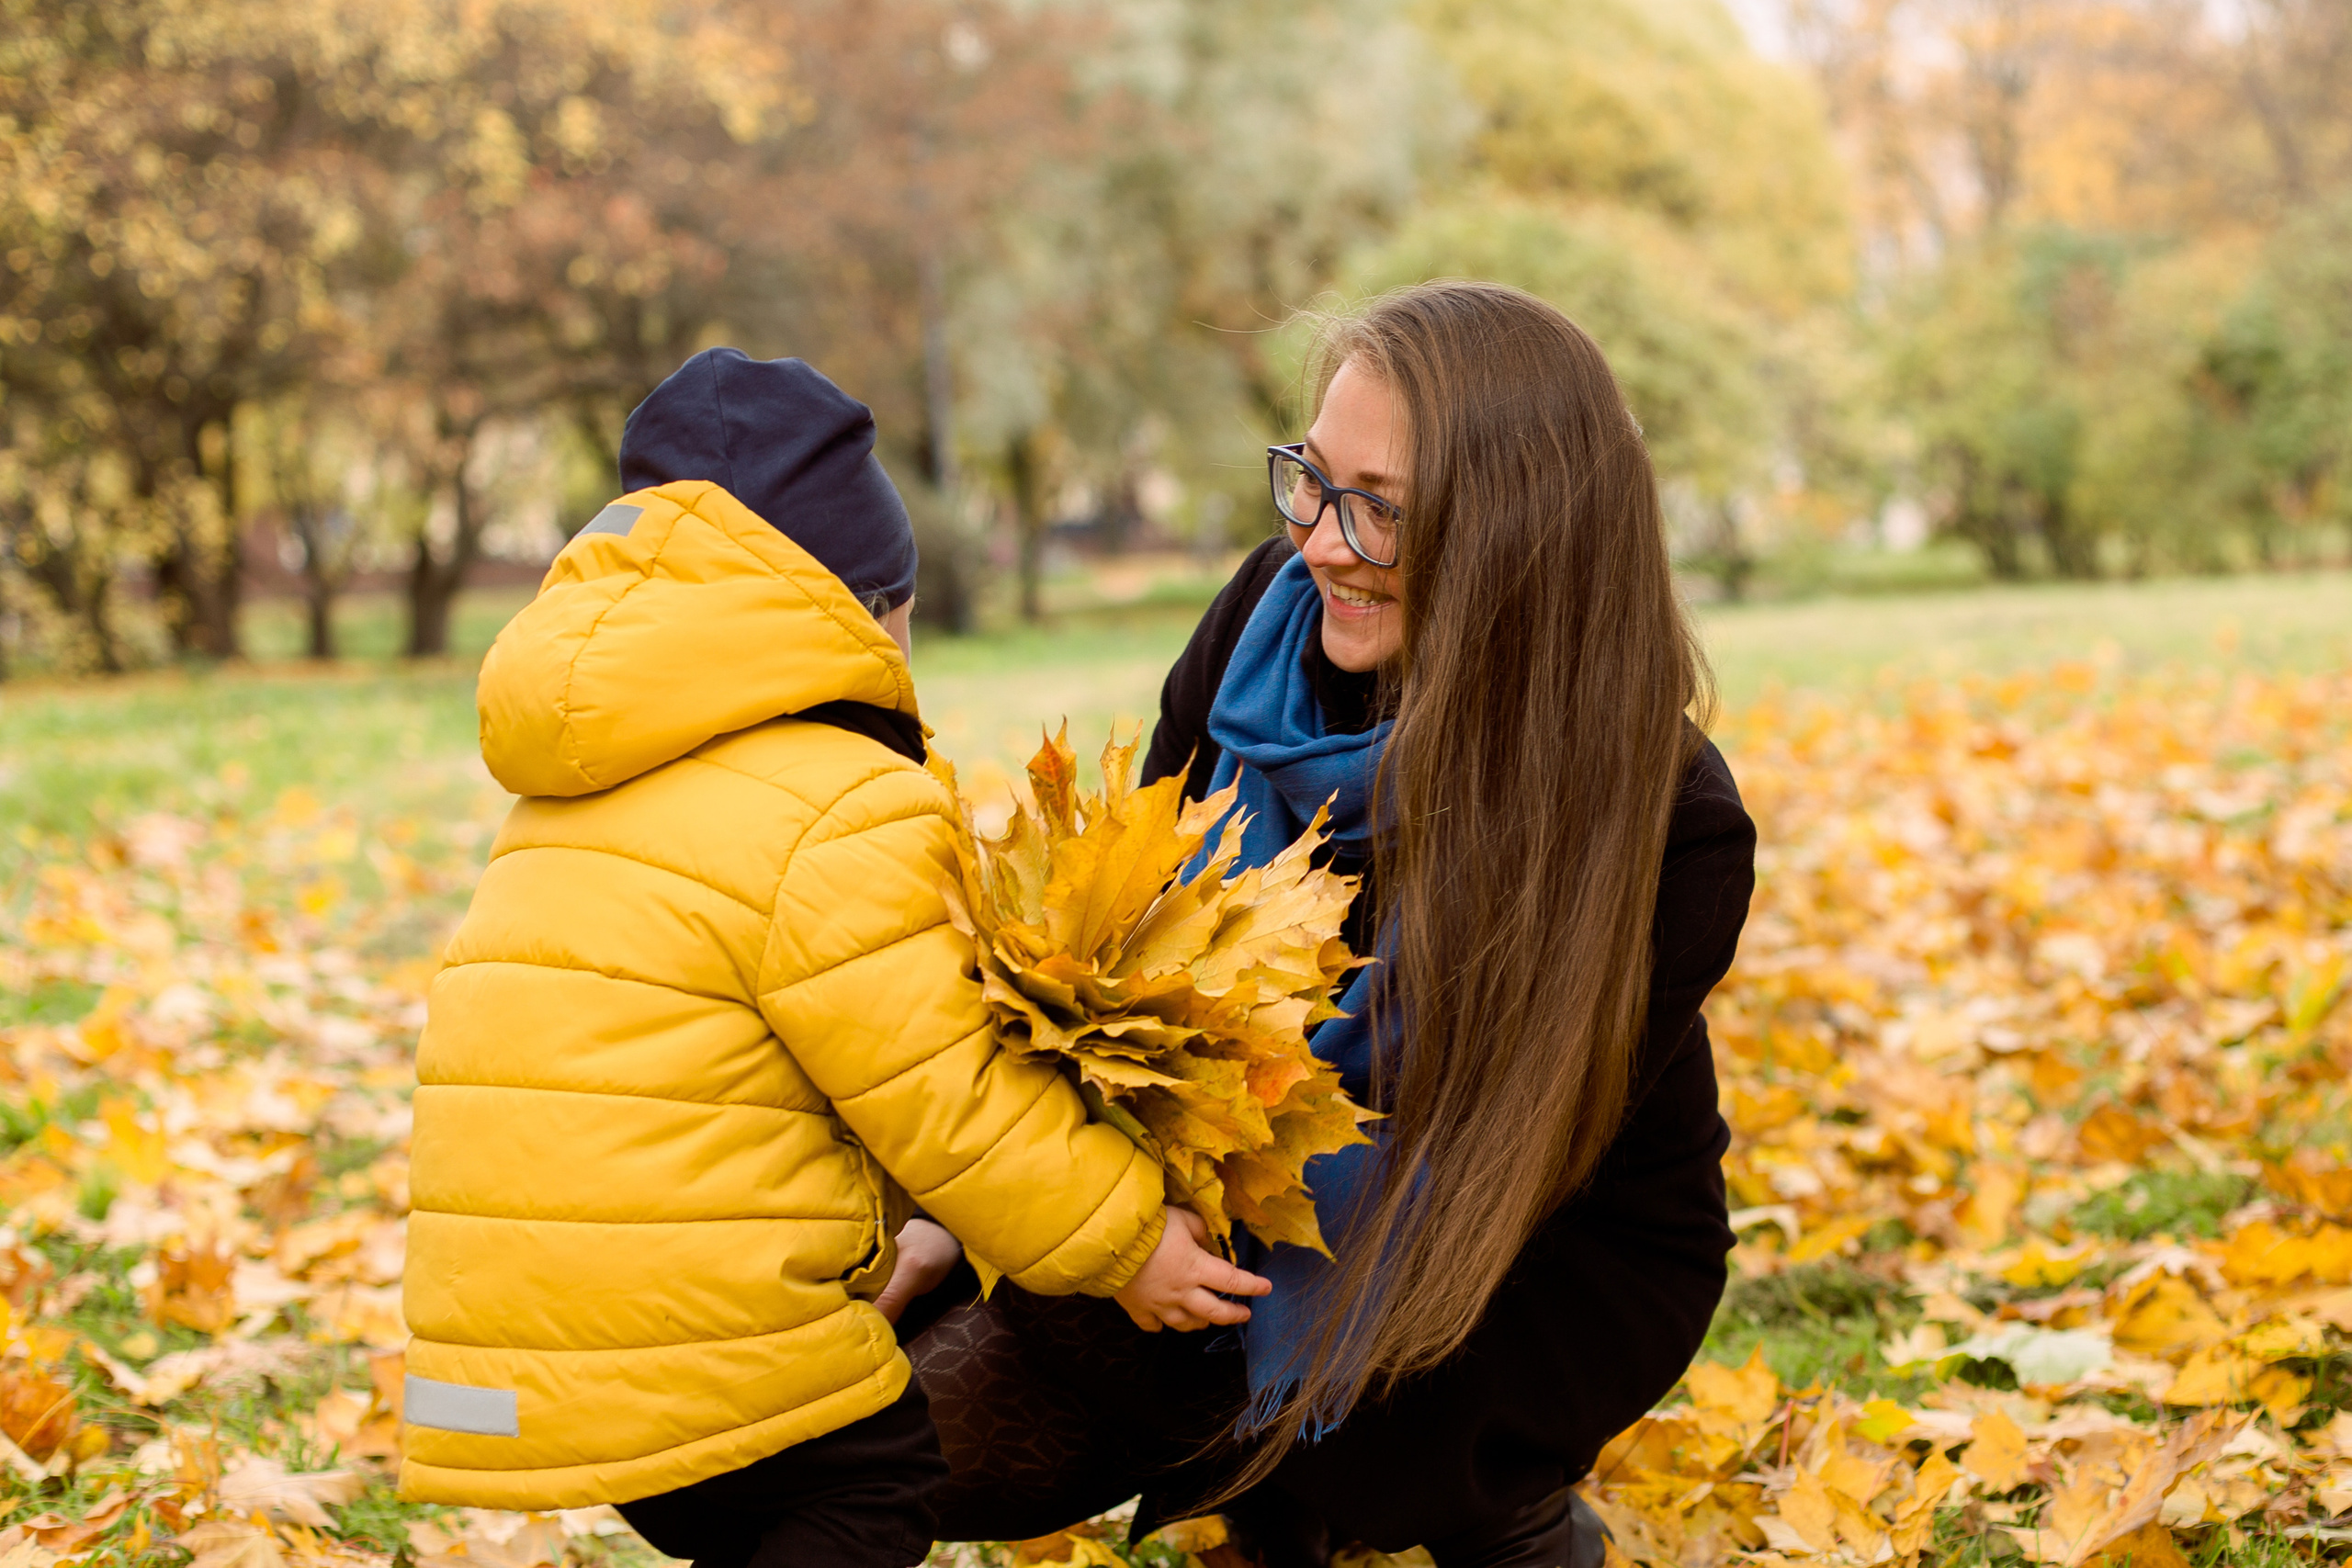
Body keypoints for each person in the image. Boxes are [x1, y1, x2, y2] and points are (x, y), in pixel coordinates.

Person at [906, 281, 1757, 1568]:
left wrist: (1160, 1252)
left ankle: (1478, 1502)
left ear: (1522, 534)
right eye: (1310, 479)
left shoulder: (1661, 817)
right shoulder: (1263, 621)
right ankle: (1263, 1475)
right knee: (872, 1444)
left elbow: (1488, 1164)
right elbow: (1120, 967)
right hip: (1214, 1184)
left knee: (1341, 1404)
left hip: (1510, 1260)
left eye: (1385, 512)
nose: (1324, 542)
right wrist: (976, 1207)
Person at [399, 347, 1268, 1568]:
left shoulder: (570, 788)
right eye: (900, 616)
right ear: (860, 612)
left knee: (760, 1509)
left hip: (515, 1354)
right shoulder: (843, 805)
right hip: (695, 1347)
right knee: (872, 1483)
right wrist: (1129, 1243)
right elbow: (948, 1093)